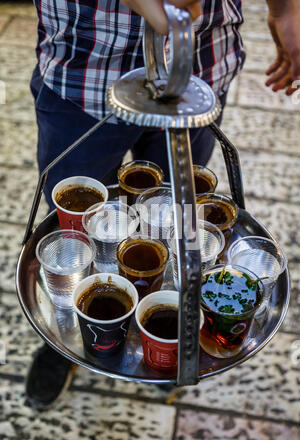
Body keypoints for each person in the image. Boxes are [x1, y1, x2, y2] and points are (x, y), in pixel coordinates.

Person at [26, 0, 300, 409]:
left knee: (180, 212)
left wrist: (285, 11)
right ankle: (68, 336)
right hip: (83, 65)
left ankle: (167, 337)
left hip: (199, 66)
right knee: (72, 227)